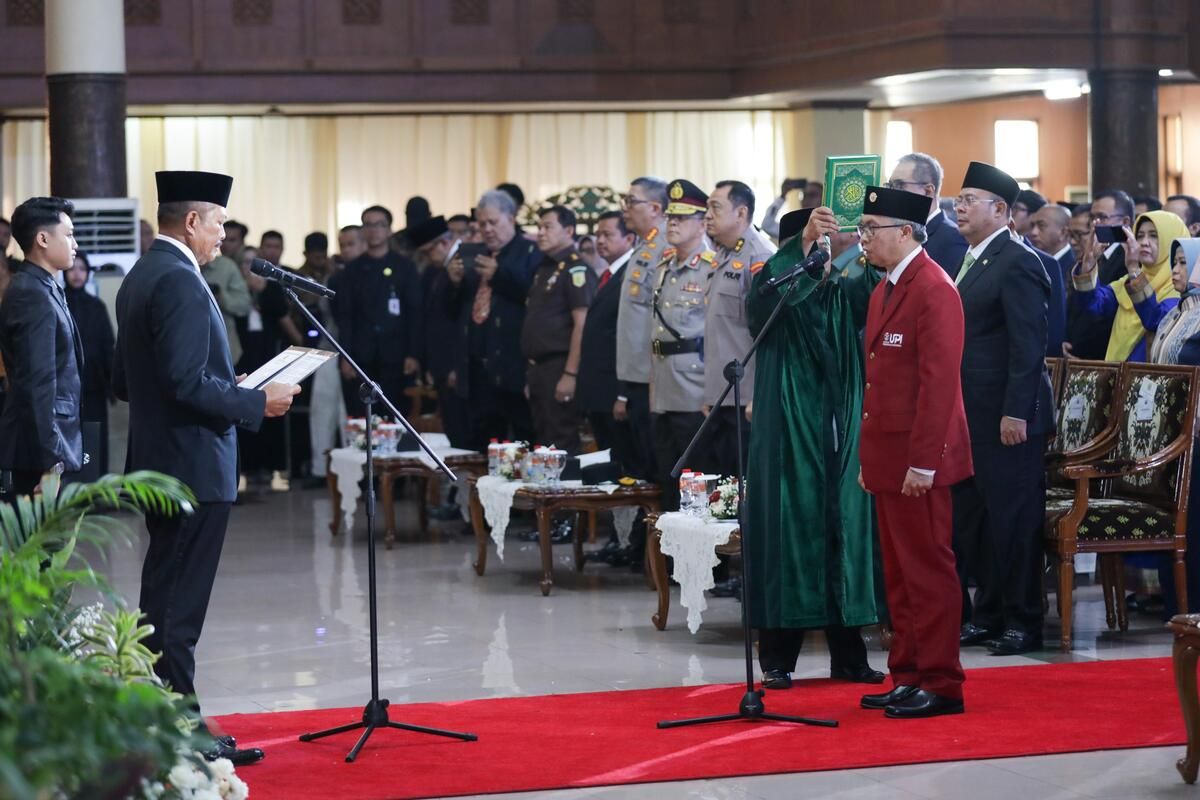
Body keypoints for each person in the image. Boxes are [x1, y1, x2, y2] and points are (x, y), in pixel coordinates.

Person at [113, 171, 299, 765]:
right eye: (219, 223)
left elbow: (132, 380)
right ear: (192, 221)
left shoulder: (142, 275)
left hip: (162, 460)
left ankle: (160, 723)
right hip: (191, 465)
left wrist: (227, 386)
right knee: (176, 609)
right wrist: (253, 401)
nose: (224, 236)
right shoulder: (180, 281)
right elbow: (187, 382)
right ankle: (181, 737)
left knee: (163, 598)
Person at [744, 202, 882, 690]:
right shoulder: (775, 290)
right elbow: (757, 307)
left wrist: (872, 241)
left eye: (825, 244)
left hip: (841, 435)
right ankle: (778, 660)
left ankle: (848, 656)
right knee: (791, 538)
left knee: (841, 536)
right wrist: (798, 248)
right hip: (790, 439)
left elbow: (878, 288)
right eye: (813, 244)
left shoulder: (840, 292)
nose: (822, 253)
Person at [855, 186, 971, 719]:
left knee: (928, 570)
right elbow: (878, 384)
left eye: (871, 228)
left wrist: (924, 462)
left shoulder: (934, 288)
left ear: (905, 231)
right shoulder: (884, 289)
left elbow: (938, 386)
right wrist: (868, 459)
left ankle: (942, 682)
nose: (863, 238)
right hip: (888, 457)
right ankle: (907, 673)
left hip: (919, 462)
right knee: (898, 575)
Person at [951, 161, 1054, 656]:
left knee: (1013, 521)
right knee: (977, 521)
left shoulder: (1017, 260)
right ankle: (988, 613)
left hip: (1008, 418)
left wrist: (1018, 411)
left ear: (1001, 210)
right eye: (959, 198)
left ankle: (1023, 620)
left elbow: (1028, 346)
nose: (960, 206)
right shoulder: (972, 257)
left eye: (970, 199)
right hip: (972, 415)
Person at [0, 196, 83, 498]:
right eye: (70, 234)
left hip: (51, 446)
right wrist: (52, 462)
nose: (75, 243)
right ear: (43, 239)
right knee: (42, 544)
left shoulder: (43, 287)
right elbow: (39, 383)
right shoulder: (31, 294)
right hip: (39, 454)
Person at [454, 190, 540, 447]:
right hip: (477, 368)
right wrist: (453, 281)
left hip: (513, 365)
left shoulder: (530, 252)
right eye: (482, 224)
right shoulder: (474, 253)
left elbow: (533, 297)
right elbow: (454, 309)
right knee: (482, 442)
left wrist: (499, 275)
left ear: (511, 219)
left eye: (494, 222)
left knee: (522, 440)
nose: (488, 229)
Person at [650, 179, 717, 511]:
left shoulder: (711, 267)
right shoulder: (663, 268)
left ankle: (708, 562)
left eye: (682, 217)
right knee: (667, 476)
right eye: (670, 217)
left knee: (697, 477)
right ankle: (672, 558)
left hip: (694, 387)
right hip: (663, 387)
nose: (672, 223)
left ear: (702, 222)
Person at [702, 180, 776, 475]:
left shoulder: (759, 257)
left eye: (715, 207)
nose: (707, 214)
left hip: (745, 396)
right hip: (721, 393)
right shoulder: (724, 254)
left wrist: (759, 393)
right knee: (723, 484)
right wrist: (709, 394)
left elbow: (767, 332)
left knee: (743, 483)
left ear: (741, 212)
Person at [1147, 240, 1200, 616]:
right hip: (1171, 434)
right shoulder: (1174, 314)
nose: (1177, 269)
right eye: (1175, 261)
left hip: (1197, 434)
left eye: (1185, 262)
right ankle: (1177, 607)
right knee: (1176, 525)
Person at [335, 205, 423, 417]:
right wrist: (345, 356)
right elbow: (345, 316)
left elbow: (415, 313)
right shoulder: (352, 270)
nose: (374, 230)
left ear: (389, 230)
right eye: (368, 225)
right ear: (363, 230)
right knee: (363, 416)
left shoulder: (405, 267)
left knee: (396, 414)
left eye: (379, 225)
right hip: (361, 355)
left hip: (396, 355)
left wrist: (414, 353)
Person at [521, 205, 594, 454]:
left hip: (560, 365)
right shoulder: (545, 268)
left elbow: (581, 323)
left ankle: (563, 493)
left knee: (561, 439)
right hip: (538, 367)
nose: (541, 233)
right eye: (539, 227)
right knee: (542, 438)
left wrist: (570, 374)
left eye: (548, 227)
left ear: (569, 230)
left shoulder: (575, 268)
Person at [1070, 210, 1189, 362]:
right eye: (1140, 236)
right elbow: (1093, 306)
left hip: (1148, 380)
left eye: (1154, 235)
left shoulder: (1181, 286)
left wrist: (1134, 270)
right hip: (1116, 377)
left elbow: (1155, 320)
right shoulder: (1128, 282)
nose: (1144, 242)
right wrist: (1088, 264)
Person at [615, 177, 670, 483]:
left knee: (653, 461)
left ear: (655, 207)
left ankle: (653, 527)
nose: (626, 208)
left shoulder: (665, 247)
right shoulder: (646, 244)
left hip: (651, 375)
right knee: (640, 462)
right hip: (634, 374)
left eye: (631, 201)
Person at [408, 216, 471, 448]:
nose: (426, 258)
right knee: (453, 428)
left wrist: (456, 366)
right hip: (442, 365)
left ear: (443, 244)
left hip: (458, 365)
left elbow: (461, 323)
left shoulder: (462, 264)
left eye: (427, 252)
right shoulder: (435, 271)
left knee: (464, 431)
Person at [577, 211, 635, 457]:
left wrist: (622, 393)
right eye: (598, 234)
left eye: (608, 234)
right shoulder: (608, 273)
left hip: (615, 388)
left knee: (624, 460)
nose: (600, 240)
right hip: (599, 388)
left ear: (629, 239)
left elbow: (629, 335)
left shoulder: (631, 273)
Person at [294, 232, 343, 486]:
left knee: (346, 418)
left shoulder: (340, 273)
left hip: (346, 350)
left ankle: (352, 469)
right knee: (321, 412)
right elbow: (308, 303)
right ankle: (319, 469)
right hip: (321, 348)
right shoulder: (301, 275)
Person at [64, 252, 115, 474]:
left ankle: (96, 487)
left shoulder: (96, 306)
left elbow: (107, 346)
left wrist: (112, 383)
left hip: (94, 385)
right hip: (65, 387)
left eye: (82, 269)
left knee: (94, 436)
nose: (76, 274)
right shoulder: (58, 301)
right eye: (72, 268)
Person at [887, 153, 969, 277]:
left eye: (899, 186)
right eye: (889, 186)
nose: (891, 193)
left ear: (927, 191)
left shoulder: (954, 239)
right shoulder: (895, 235)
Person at [202, 220, 252, 366]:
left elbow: (244, 304)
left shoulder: (227, 267)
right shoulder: (184, 265)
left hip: (227, 343)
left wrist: (221, 298)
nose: (226, 245)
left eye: (232, 240)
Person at [1028, 203, 1074, 287]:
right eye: (1032, 225)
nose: (1033, 232)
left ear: (1064, 233)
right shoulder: (1031, 261)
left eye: (1041, 225)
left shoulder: (1075, 269)